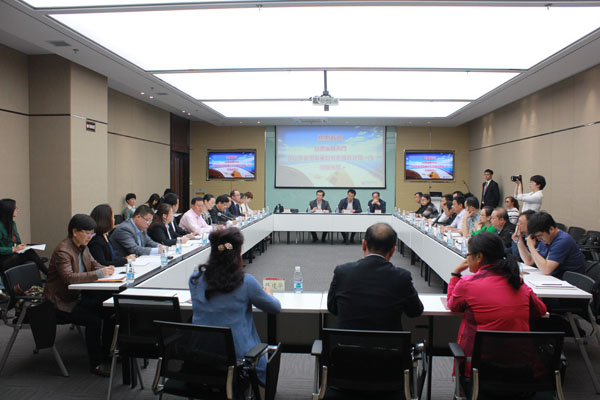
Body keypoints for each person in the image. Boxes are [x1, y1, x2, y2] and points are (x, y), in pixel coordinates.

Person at [189, 227, 281, 392]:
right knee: (263, 360)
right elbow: (275, 308)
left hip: (200, 354)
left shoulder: (194, 279)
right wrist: (268, 293)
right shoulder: (245, 282)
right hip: (238, 359)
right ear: (238, 253)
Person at [447, 232, 547, 381]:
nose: (467, 259)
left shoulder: (467, 283)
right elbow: (541, 310)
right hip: (520, 369)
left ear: (479, 257)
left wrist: (455, 274)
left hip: (478, 368)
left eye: (468, 255)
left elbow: (453, 305)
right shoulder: (517, 282)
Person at [43, 214, 116, 377]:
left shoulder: (82, 246)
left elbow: (93, 264)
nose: (90, 237)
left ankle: (107, 353)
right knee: (93, 319)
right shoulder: (63, 250)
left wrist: (107, 269)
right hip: (60, 303)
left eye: (92, 233)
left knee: (109, 310)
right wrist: (98, 273)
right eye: (87, 233)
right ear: (75, 232)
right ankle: (95, 364)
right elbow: (68, 278)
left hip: (75, 297)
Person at [327, 222, 423, 330]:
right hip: (388, 341)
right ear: (392, 251)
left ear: (364, 245)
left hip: (346, 341)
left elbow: (332, 308)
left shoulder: (342, 272)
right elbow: (415, 311)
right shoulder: (402, 277)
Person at [518, 211, 585, 279]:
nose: (539, 239)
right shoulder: (546, 238)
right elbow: (529, 261)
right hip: (553, 279)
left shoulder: (563, 240)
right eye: (536, 236)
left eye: (540, 235)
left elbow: (546, 270)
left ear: (551, 229)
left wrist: (531, 246)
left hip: (569, 282)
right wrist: (519, 240)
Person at [0, 198, 48, 278]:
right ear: (8, 210)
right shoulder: (0, 226)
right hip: (3, 259)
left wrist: (21, 246)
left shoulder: (12, 224)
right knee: (30, 253)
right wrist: (13, 249)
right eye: (15, 208)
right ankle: (49, 274)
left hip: (11, 255)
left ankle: (47, 273)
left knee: (29, 251)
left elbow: (17, 241)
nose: (17, 210)